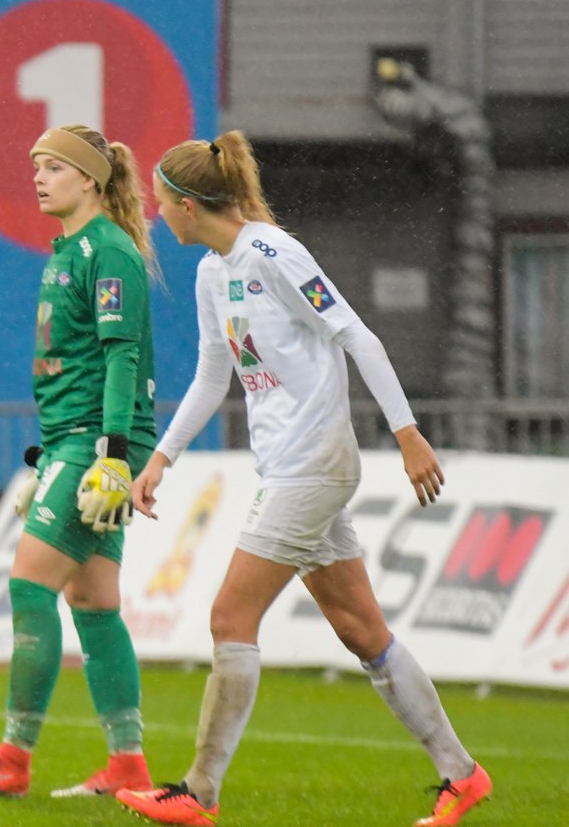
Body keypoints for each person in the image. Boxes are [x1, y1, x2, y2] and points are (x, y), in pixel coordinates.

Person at [116, 131, 491, 827]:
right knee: (360, 628)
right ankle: (463, 775)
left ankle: (199, 792)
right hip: (289, 464)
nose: (157, 214)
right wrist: (162, 458)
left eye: (162, 202)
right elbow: (213, 376)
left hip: (313, 463)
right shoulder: (212, 274)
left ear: (190, 205)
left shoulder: (273, 253)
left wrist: (407, 432)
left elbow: (358, 336)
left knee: (230, 617)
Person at [0, 125, 158, 801]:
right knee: (93, 602)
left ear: (90, 179)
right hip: (76, 441)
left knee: (28, 586)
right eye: (36, 165)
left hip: (96, 442)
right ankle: (128, 765)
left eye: (54, 167)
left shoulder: (108, 250)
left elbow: (122, 357)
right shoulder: (69, 249)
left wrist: (113, 457)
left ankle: (14, 757)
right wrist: (46, 461)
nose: (38, 177)